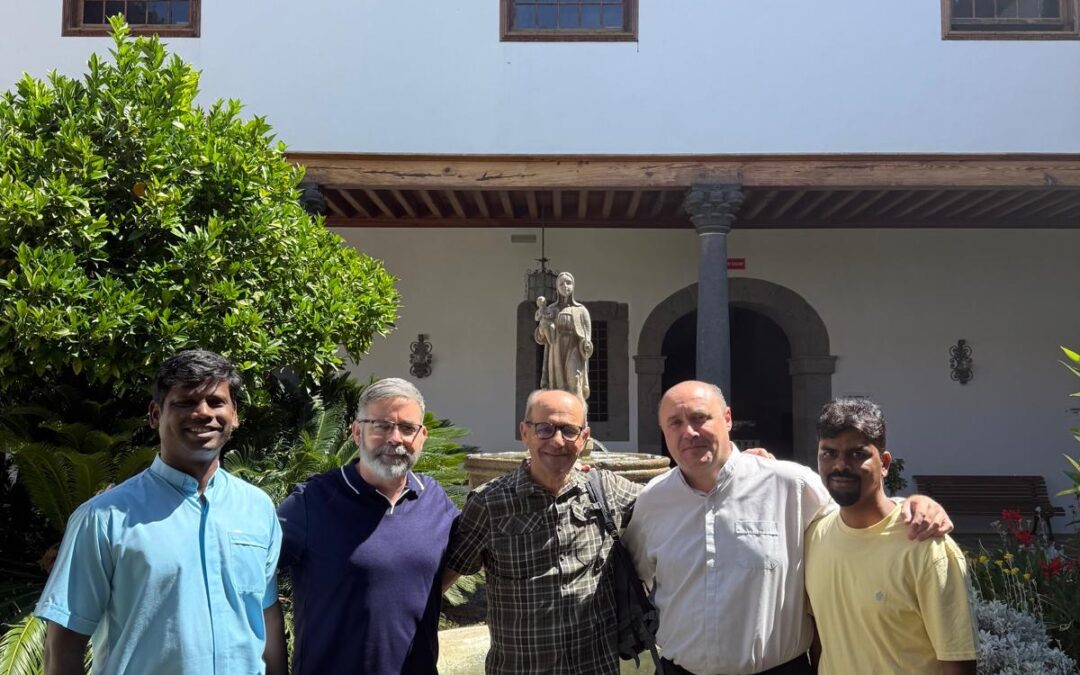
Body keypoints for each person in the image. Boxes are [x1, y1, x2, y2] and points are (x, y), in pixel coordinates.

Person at [623, 380, 953, 675]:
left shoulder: (790, 485)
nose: (689, 433)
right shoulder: (653, 502)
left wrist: (910, 505)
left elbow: (858, 515)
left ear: (727, 419)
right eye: (675, 423)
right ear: (663, 431)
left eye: (699, 418)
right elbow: (633, 578)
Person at [35, 349, 285, 675]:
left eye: (216, 401)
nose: (203, 413)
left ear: (234, 415)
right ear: (155, 415)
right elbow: (62, 649)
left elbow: (266, 615)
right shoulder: (104, 518)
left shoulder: (257, 509)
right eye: (185, 403)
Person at [442, 389, 640, 674]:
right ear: (525, 433)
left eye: (569, 430)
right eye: (544, 429)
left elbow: (670, 504)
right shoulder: (489, 503)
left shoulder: (605, 489)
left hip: (594, 667)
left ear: (584, 438)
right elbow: (444, 578)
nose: (557, 441)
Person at [274, 378, 458, 675]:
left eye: (407, 428)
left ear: (422, 436)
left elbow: (458, 559)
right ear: (357, 431)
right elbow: (250, 576)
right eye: (382, 426)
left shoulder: (435, 499)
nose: (395, 438)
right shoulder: (312, 502)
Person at [806, 398, 977, 675]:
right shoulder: (815, 536)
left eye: (857, 454)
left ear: (884, 463)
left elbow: (957, 660)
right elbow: (819, 640)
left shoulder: (926, 545)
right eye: (829, 453)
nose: (840, 465)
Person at [535, 271, 593, 400]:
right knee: (558, 384)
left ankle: (577, 412)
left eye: (568, 283)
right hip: (556, 349)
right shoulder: (550, 309)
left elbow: (587, 334)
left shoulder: (581, 310)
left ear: (573, 286)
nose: (565, 286)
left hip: (574, 348)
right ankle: (560, 411)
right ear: (557, 288)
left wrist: (587, 344)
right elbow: (541, 338)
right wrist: (543, 327)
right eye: (561, 284)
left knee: (575, 378)